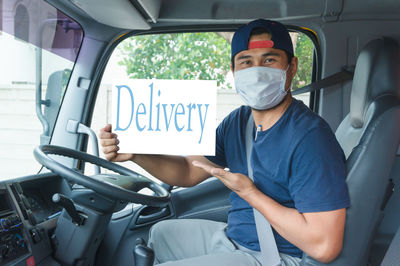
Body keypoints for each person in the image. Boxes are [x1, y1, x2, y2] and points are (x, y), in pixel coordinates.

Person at [99, 19, 350, 266]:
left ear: (291, 67)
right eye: (246, 62)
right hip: (237, 239)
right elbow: (188, 170)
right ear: (234, 71)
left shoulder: (311, 138)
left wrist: (250, 193)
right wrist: (136, 154)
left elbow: (324, 246)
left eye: (269, 59)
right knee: (160, 234)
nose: (257, 71)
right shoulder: (239, 121)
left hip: (281, 256)